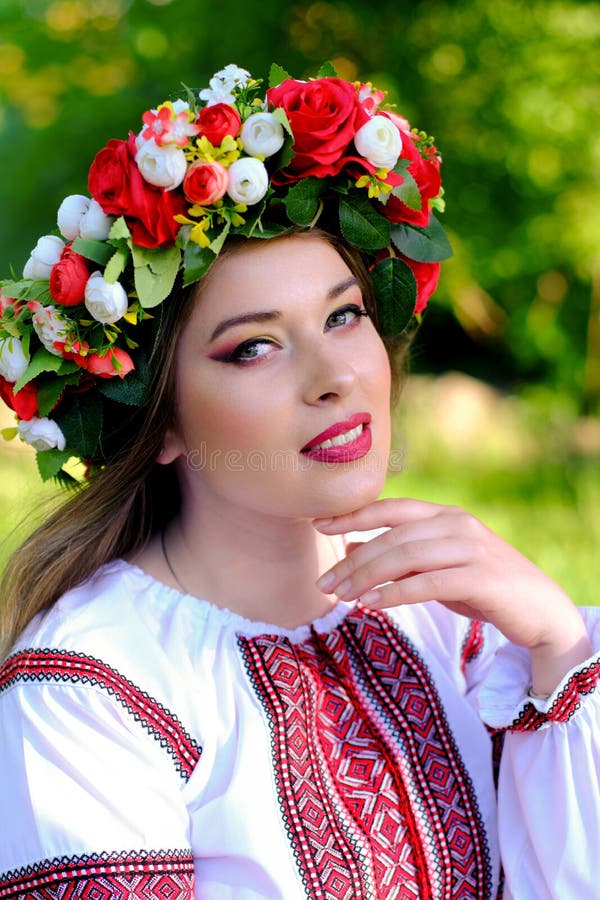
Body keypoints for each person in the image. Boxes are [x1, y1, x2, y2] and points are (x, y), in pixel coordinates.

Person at [0, 62, 598, 900]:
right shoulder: (92, 685)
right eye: (254, 346)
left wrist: (555, 647)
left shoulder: (452, 619)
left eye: (343, 315)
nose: (334, 377)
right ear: (161, 421)